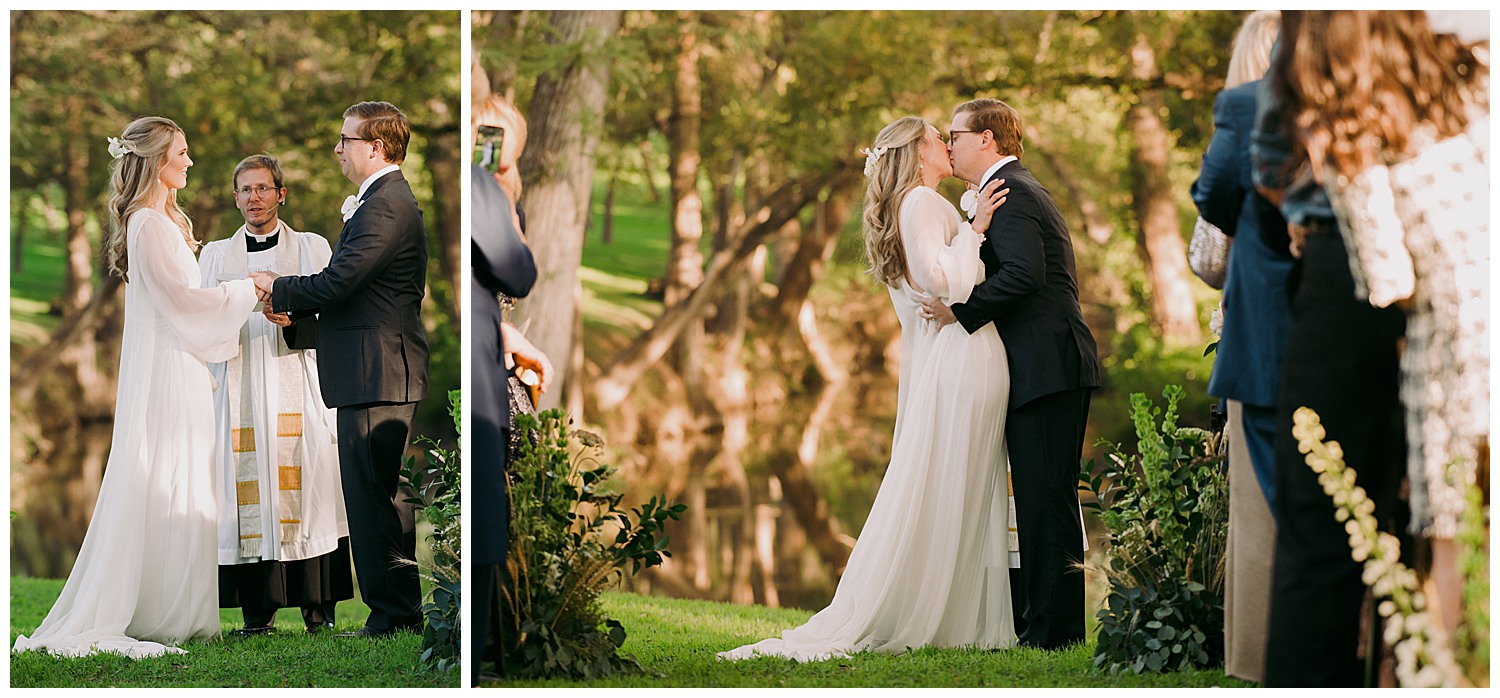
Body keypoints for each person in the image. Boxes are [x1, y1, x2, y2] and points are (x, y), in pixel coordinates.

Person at [721, 116, 1010, 661]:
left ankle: (952, 610)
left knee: (950, 483)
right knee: (956, 483)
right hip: (960, 352)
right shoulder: (922, 203)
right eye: (937, 139)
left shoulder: (914, 204)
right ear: (918, 154)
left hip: (950, 356)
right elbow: (938, 279)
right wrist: (975, 231)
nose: (948, 146)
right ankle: (944, 614)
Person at [13, 117, 259, 658]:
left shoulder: (162, 221)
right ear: (154, 160)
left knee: (185, 480)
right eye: (181, 153)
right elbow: (181, 303)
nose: (189, 162)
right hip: (167, 370)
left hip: (184, 366)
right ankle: (158, 613)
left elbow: (184, 297)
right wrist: (246, 290)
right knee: (165, 477)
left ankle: (177, 610)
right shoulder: (147, 225)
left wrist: (237, 293)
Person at [1290, 9, 1488, 639]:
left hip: (1455, 353)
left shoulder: (1354, 140)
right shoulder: (1473, 87)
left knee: (1454, 545)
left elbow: (1389, 281)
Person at [1251, 12, 1407, 686]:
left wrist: (1301, 218)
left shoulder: (1320, 26)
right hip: (1447, 255)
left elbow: (1267, 168)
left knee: (1322, 520)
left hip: (1342, 266)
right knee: (1437, 515)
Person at [921, 98, 1102, 650]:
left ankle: (1054, 633)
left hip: (1048, 365)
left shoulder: (1016, 193)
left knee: (1045, 501)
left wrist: (961, 311)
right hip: (1037, 366)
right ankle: (1042, 623)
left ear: (988, 141)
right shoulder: (1001, 191)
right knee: (1038, 499)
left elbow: (1026, 273)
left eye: (956, 134)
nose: (949, 145)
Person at [252, 101, 429, 638]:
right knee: (378, 493)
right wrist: (297, 323)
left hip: (380, 370)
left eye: (345, 140)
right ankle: (397, 612)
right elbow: (356, 298)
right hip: (371, 366)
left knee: (373, 495)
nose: (338, 149)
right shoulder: (378, 202)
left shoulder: (386, 205)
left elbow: (340, 281)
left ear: (375, 147)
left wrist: (276, 285)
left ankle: (392, 614)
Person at [201, 154, 354, 636]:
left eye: (263, 188)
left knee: (312, 488)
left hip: (298, 383)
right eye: (245, 190)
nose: (254, 198)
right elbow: (199, 324)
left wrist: (295, 318)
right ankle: (256, 612)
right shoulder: (215, 258)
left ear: (281, 194)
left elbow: (337, 315)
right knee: (243, 493)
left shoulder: (311, 249)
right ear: (235, 198)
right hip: (239, 387)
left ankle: (317, 609)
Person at [1188, 9, 1284, 682]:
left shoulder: (1242, 115)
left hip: (1260, 338)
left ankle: (1255, 661)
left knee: (1259, 508)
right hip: (1347, 337)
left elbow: (1207, 252)